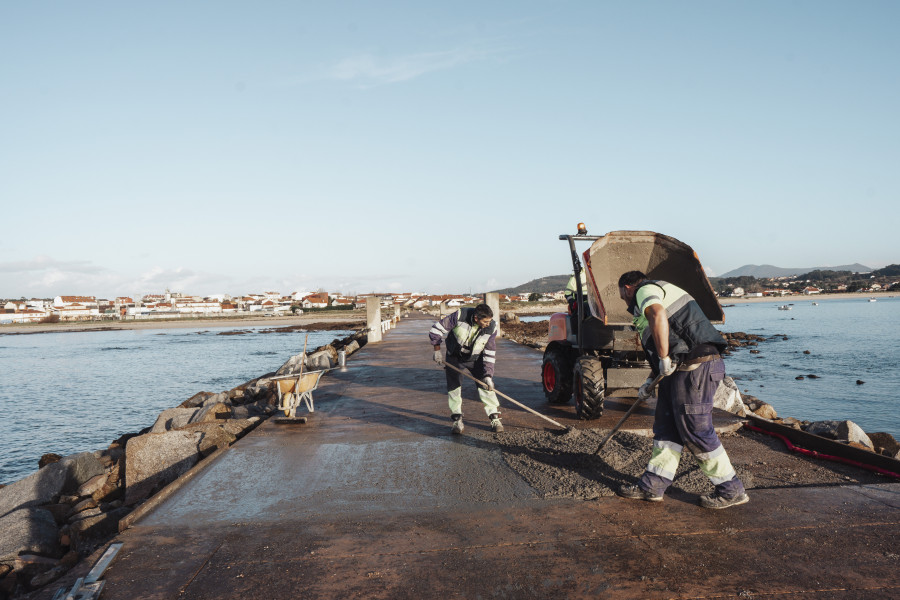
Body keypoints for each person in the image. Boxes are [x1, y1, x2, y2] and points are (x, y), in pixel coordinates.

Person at [616, 271, 749, 509]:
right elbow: (663, 343)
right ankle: (652, 486)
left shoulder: (645, 290)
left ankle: (731, 490)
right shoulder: (658, 291)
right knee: (666, 429)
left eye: (622, 295)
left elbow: (658, 316)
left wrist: (665, 356)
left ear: (627, 288)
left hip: (696, 366)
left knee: (696, 429)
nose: (625, 301)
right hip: (681, 369)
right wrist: (650, 379)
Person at [429, 303, 503, 434]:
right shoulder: (460, 316)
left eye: (489, 320)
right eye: (485, 321)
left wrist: (488, 375)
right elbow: (436, 330)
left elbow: (490, 352)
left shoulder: (491, 327)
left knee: (486, 386)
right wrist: (437, 350)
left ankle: (495, 418)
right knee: (454, 387)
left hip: (476, 358)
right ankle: (457, 420)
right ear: (476, 318)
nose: (488, 323)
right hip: (455, 357)